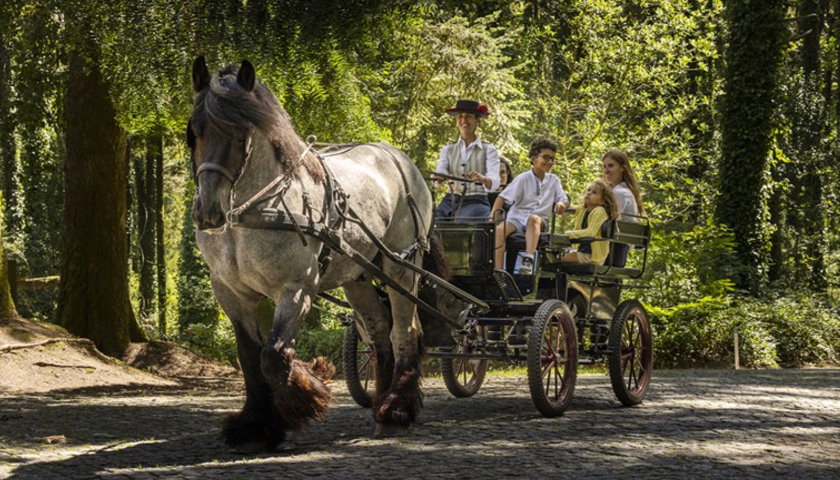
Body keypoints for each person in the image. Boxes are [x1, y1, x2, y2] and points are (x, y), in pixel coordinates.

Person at [490, 137, 569, 275]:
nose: (549, 162)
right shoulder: (523, 178)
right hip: (517, 218)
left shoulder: (554, 181)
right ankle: (499, 270)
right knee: (499, 231)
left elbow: (563, 199)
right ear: (533, 159)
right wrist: (492, 217)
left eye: (552, 159)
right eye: (545, 157)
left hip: (539, 221)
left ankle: (528, 260)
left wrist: (562, 204)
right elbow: (502, 197)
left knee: (533, 218)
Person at [433, 99, 501, 220]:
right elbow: (439, 175)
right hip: (451, 199)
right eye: (460, 116)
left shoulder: (488, 149)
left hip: (476, 200)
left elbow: (495, 182)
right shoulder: (448, 149)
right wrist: (440, 178)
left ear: (477, 120)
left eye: (468, 116)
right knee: (433, 221)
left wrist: (482, 178)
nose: (463, 120)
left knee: (462, 222)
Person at [561, 179, 619, 265]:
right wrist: (561, 205)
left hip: (593, 256)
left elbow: (590, 232)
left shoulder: (600, 211)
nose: (589, 193)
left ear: (602, 201)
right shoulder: (584, 209)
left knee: (560, 257)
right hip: (583, 251)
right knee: (552, 253)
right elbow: (569, 209)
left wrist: (569, 234)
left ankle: (559, 277)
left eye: (594, 193)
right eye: (588, 190)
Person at [601, 150, 644, 220]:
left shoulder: (620, 192)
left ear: (622, 168)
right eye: (604, 166)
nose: (606, 171)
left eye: (611, 166)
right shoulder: (622, 190)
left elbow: (613, 223)